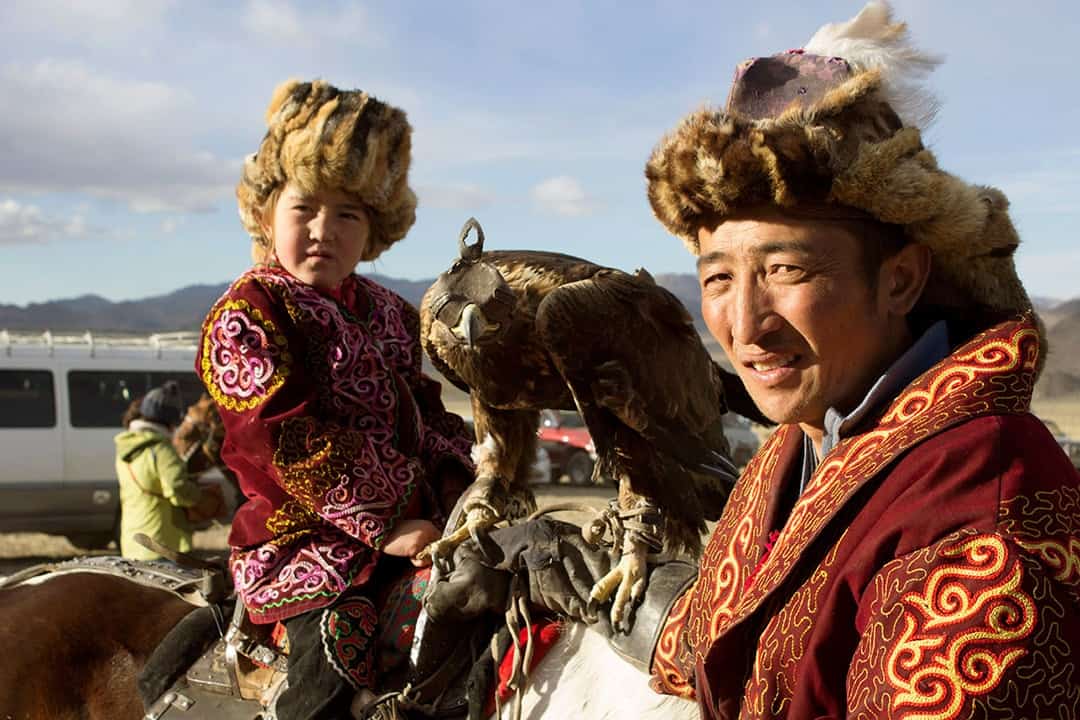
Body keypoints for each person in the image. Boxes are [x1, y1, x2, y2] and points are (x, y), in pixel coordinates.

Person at [424, 3, 1080, 718]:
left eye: (787, 271)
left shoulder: (983, 516)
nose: (744, 328)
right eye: (717, 279)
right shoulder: (799, 448)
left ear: (900, 279)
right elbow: (743, 650)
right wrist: (576, 576)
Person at [196, 79, 474, 719]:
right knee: (335, 657)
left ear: (374, 229)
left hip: (423, 526)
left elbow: (427, 416)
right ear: (267, 213)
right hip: (303, 543)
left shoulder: (391, 312)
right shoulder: (248, 313)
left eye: (347, 213)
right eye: (304, 209)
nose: (324, 230)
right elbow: (281, 437)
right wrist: (387, 524)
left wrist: (466, 488)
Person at [114, 382, 205, 560]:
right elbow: (177, 489)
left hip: (131, 542)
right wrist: (200, 496)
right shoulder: (162, 450)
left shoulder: (125, 447)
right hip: (162, 544)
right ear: (170, 419)